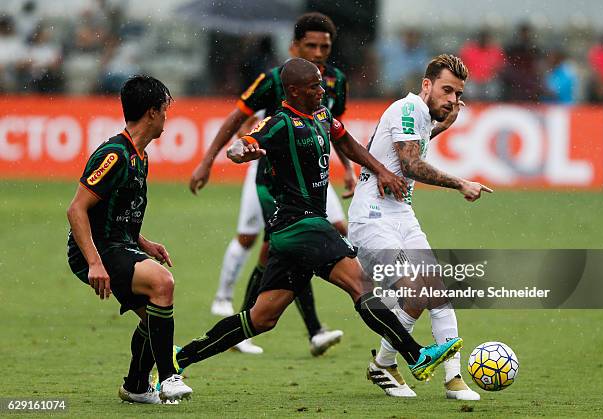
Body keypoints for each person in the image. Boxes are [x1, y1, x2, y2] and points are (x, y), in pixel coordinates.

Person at [174, 58, 463, 387]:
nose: (321, 89)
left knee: (262, 318)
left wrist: (380, 170)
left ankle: (180, 357)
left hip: (296, 232)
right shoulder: (279, 123)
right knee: (361, 284)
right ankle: (415, 355)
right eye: (314, 86)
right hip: (301, 223)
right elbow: (245, 143)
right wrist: (240, 152)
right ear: (294, 91)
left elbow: (347, 143)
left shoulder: (323, 115)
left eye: (321, 83)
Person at [189, 12, 354, 356]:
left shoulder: (336, 81)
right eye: (312, 45)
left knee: (328, 231)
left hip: (315, 179)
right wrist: (207, 161)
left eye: (325, 46)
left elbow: (332, 130)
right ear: (295, 46)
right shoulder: (273, 79)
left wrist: (349, 170)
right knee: (282, 243)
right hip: (273, 178)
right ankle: (311, 330)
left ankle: (249, 324)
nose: (320, 52)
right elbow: (237, 119)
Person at [347, 54, 490, 400]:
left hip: (401, 214)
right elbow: (410, 163)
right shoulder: (407, 109)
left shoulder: (421, 115)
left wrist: (443, 124)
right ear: (426, 85)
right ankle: (385, 364)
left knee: (436, 289)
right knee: (416, 289)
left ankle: (451, 379)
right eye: (446, 90)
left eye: (457, 94)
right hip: (372, 217)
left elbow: (413, 146)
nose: (452, 100)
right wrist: (460, 183)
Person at [66, 75, 192, 404]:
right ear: (151, 112)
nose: (168, 115)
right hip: (98, 250)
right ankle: (168, 378)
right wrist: (94, 262)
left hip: (120, 244)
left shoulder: (140, 156)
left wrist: (143, 242)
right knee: (163, 283)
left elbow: (118, 210)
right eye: (165, 108)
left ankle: (136, 386)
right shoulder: (115, 155)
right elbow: (76, 210)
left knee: (155, 322)